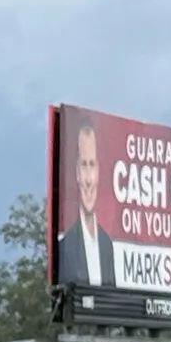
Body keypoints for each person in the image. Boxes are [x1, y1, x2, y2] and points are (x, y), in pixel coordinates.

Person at [56, 118, 116, 289]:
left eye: (92, 165)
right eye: (84, 165)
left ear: (99, 171)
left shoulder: (107, 246)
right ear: (76, 173)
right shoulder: (65, 247)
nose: (89, 180)